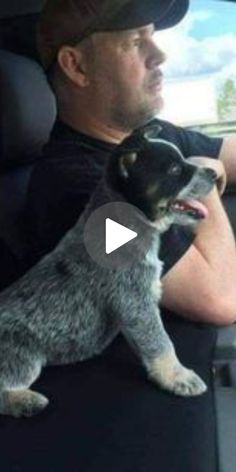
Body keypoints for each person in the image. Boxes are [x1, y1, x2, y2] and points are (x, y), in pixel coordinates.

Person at [22, 0, 236, 325]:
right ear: (76, 66)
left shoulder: (148, 136)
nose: (160, 55)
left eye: (152, 36)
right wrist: (201, 178)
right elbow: (222, 299)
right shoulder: (77, 193)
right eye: (136, 42)